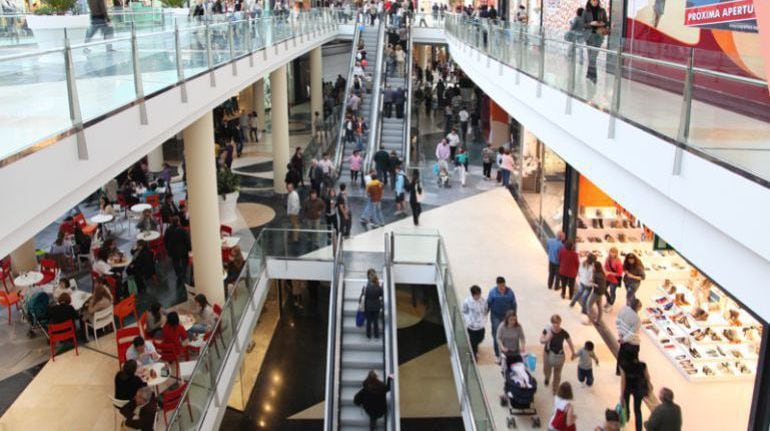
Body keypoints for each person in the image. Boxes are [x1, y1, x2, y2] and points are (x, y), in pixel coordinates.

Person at [540, 314, 576, 394]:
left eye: (557, 323)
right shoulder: (547, 330)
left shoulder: (564, 332)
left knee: (557, 373)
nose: (556, 325)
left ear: (560, 323)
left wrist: (573, 352)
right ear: (551, 323)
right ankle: (547, 378)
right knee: (546, 369)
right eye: (554, 323)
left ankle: (555, 388)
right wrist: (547, 339)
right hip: (548, 353)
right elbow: (541, 340)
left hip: (559, 355)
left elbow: (570, 342)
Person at [487, 276, 516, 357]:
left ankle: (506, 350)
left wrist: (514, 315)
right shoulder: (493, 292)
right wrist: (485, 313)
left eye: (503, 285)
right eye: (500, 286)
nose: (502, 288)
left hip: (506, 316)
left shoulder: (510, 292)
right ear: (497, 285)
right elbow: (488, 303)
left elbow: (513, 304)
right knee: (497, 334)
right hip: (495, 316)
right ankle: (497, 354)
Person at [620, 356, 652, 431]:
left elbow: (623, 381)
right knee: (637, 410)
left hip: (627, 388)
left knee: (626, 404)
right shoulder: (643, 365)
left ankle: (627, 416)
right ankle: (639, 429)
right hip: (638, 388)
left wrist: (621, 395)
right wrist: (649, 385)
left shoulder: (623, 366)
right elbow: (647, 377)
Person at [583, 0, 608, 83]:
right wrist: (591, 23)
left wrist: (602, 24)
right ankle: (589, 74)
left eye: (596, 0)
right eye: (593, 0)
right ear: (589, 1)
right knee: (591, 57)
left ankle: (593, 76)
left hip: (598, 36)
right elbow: (582, 24)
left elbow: (606, 22)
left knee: (593, 57)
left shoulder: (602, 11)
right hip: (589, 36)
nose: (595, 2)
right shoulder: (586, 11)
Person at [616, 298, 642, 375]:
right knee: (634, 359)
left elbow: (618, 322)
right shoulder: (637, 319)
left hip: (622, 337)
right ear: (637, 307)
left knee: (621, 355)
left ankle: (619, 371)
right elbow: (632, 333)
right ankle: (633, 374)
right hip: (632, 342)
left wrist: (620, 335)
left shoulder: (623, 309)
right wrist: (624, 340)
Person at [461, 285, 488, 360]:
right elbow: (464, 311)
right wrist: (468, 321)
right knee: (473, 342)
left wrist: (484, 319)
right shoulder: (467, 302)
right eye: (477, 295)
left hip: (481, 325)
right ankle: (473, 356)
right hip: (472, 327)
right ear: (473, 294)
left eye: (479, 294)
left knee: (480, 339)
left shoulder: (482, 300)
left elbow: (485, 310)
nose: (479, 296)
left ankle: (474, 347)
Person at [164, 216, 191, 288]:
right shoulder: (182, 230)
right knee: (185, 261)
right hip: (183, 250)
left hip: (173, 250)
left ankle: (178, 274)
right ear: (178, 222)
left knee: (175, 262)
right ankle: (184, 273)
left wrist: (167, 248)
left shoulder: (168, 230)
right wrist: (189, 248)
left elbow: (165, 240)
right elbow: (187, 240)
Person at [361, 269, 383, 339]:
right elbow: (381, 295)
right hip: (376, 306)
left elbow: (364, 295)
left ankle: (368, 335)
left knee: (369, 322)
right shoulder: (379, 287)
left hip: (368, 306)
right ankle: (376, 335)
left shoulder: (367, 287)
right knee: (376, 321)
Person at [603, 247, 624, 311]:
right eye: (611, 252)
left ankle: (611, 304)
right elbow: (605, 266)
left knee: (612, 292)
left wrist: (609, 273)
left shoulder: (618, 262)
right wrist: (605, 271)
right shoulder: (608, 259)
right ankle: (608, 300)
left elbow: (619, 274)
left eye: (614, 252)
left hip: (614, 280)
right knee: (603, 289)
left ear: (616, 253)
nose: (612, 254)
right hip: (607, 278)